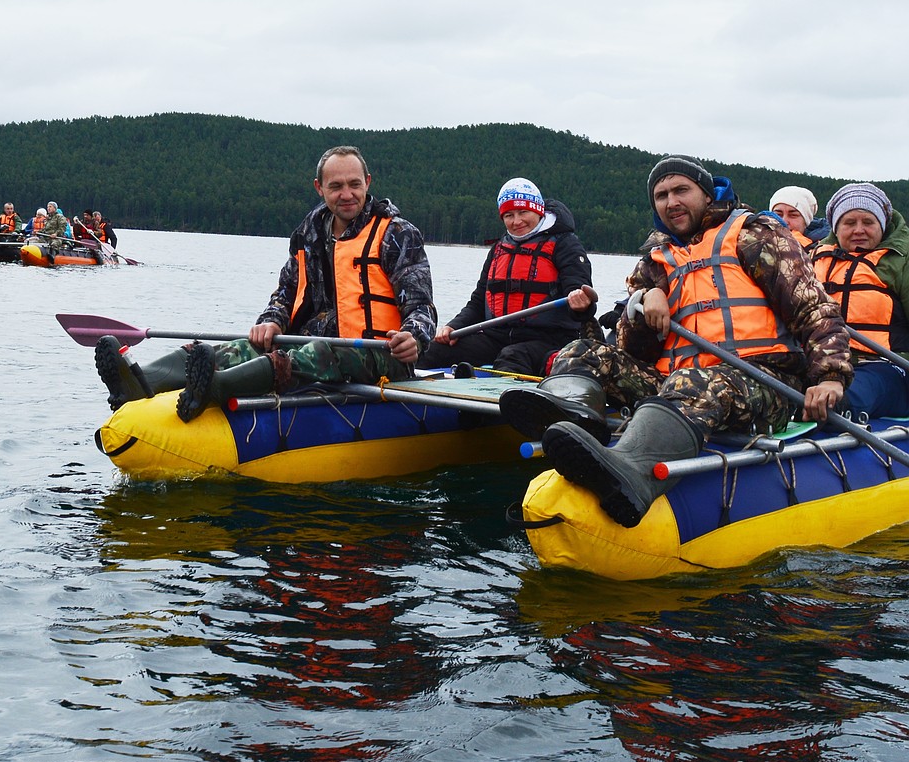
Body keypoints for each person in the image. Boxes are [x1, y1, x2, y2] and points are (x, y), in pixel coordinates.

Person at [500, 154, 852, 527]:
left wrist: (830, 375)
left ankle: (633, 472)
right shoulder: (654, 259)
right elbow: (631, 350)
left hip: (764, 380)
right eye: (662, 195)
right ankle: (578, 429)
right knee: (582, 352)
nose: (672, 201)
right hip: (676, 385)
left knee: (696, 382)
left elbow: (812, 307)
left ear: (705, 193)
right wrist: (642, 303)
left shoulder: (755, 234)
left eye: (681, 190)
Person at [94, 145, 437, 422]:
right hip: (311, 341)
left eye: (354, 184)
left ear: (368, 182)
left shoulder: (396, 234)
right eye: (336, 186)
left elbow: (421, 306)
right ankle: (139, 381)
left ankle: (218, 388)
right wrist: (271, 320)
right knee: (246, 347)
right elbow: (286, 293)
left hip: (381, 354)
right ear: (320, 188)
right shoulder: (308, 235)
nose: (346, 194)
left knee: (321, 351)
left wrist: (414, 337)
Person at [420, 177, 596, 374]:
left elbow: (580, 295)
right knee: (433, 351)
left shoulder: (565, 244)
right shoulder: (499, 248)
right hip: (497, 336)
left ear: (538, 211)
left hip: (549, 340)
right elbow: (479, 302)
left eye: (523, 212)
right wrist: (454, 326)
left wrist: (580, 302)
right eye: (509, 215)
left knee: (512, 357)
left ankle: (501, 404)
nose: (516, 221)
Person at [811, 182, 909, 418]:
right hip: (820, 365)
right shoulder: (812, 260)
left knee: (848, 398)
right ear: (836, 227)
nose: (859, 230)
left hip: (885, 365)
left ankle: (839, 410)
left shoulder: (901, 263)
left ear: (882, 226)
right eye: (849, 222)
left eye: (868, 222)